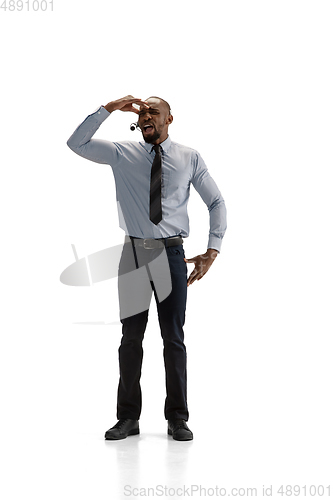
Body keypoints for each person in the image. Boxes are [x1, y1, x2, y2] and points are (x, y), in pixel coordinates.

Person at [66, 95, 227, 441]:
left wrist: (212, 249)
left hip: (171, 256)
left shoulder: (189, 157)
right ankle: (128, 418)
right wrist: (108, 109)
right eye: (141, 112)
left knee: (173, 338)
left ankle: (178, 418)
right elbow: (75, 143)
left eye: (153, 111)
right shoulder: (122, 154)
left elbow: (215, 201)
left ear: (170, 119)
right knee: (131, 338)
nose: (145, 115)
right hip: (134, 255)